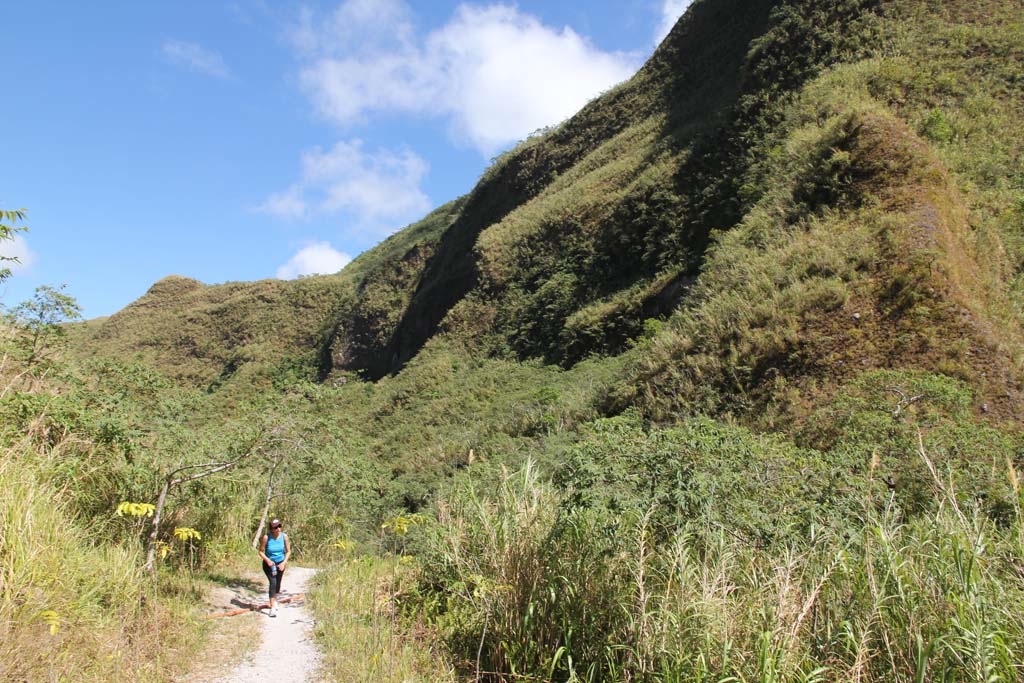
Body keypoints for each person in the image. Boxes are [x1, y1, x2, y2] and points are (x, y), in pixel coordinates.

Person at [258, 518, 291, 617]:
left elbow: (288, 551)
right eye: (276, 527)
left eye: (279, 526)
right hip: (269, 564)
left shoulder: (284, 537)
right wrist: (268, 560)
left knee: (278, 583)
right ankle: (272, 608)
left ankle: (275, 600)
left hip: (280, 563)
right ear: (272, 529)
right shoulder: (266, 537)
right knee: (273, 583)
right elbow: (260, 551)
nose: (278, 529)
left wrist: (284, 562)